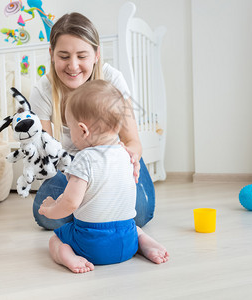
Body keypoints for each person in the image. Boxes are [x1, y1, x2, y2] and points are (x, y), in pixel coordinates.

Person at [29, 11, 155, 230]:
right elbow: (47, 156)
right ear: (51, 54)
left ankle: (85, 213)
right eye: (64, 56)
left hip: (112, 164)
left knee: (140, 215)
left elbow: (133, 141)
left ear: (96, 54)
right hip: (71, 171)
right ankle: (88, 211)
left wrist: (131, 158)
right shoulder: (43, 90)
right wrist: (77, 180)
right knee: (48, 217)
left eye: (82, 55)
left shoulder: (112, 79)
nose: (73, 65)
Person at [38, 80, 168, 273]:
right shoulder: (127, 155)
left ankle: (69, 258)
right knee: (133, 227)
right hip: (127, 242)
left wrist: (49, 210)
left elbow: (70, 203)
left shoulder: (84, 159)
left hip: (92, 248)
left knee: (55, 239)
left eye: (70, 128)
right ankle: (144, 243)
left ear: (83, 129)